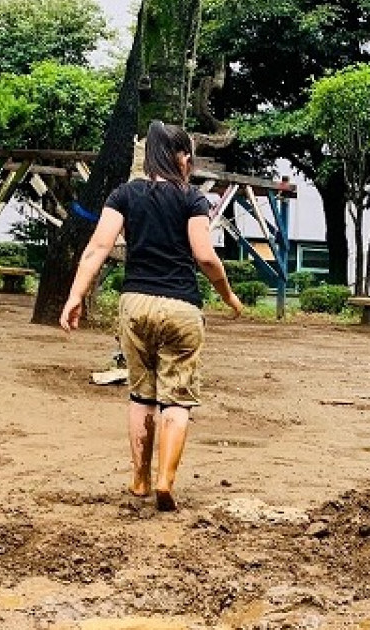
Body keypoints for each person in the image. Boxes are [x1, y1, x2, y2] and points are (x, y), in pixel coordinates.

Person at [60, 120, 244, 512]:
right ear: (181, 158)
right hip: (180, 306)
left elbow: (97, 248)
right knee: (176, 400)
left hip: (135, 304)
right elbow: (206, 256)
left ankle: (140, 479)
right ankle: (165, 481)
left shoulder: (125, 194)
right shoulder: (193, 199)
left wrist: (75, 296)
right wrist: (228, 296)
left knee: (141, 395)